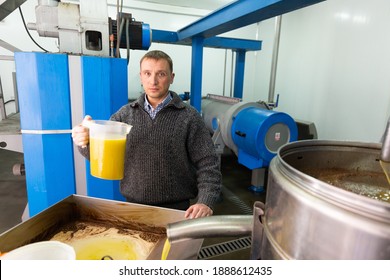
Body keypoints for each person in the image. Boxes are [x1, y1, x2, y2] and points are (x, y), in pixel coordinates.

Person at [72, 50, 222, 219]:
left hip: (178, 209)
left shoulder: (189, 116)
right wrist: (84, 141)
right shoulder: (124, 115)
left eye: (161, 74)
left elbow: (208, 162)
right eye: (147, 73)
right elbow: (101, 155)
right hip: (133, 206)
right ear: (141, 76)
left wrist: (205, 200)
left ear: (172, 77)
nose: (153, 81)